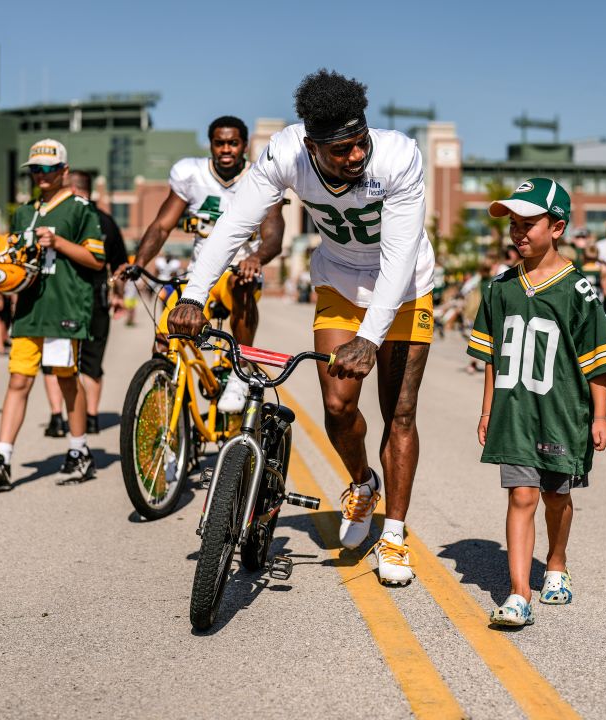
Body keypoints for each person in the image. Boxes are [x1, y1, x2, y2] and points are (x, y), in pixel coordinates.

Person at [168, 69, 434, 586]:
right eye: (341, 151)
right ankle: (362, 484)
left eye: (360, 144)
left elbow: (400, 255)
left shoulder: (398, 156)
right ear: (312, 146)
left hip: (403, 287)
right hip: (338, 279)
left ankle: (395, 535)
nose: (356, 157)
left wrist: (370, 337)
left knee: (399, 413)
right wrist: (195, 295)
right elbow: (235, 222)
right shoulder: (285, 153)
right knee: (338, 408)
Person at [468, 179, 606, 625]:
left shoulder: (578, 290)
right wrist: (486, 410)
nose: (519, 232)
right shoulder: (500, 288)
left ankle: (556, 563)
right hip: (514, 411)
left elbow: (597, 360)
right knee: (521, 494)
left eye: (529, 223)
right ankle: (519, 593)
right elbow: (491, 358)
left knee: (556, 496)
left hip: (561, 413)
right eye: (514, 224)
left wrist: (601, 415)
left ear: (556, 227)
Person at [120, 115, 285, 412]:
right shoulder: (191, 174)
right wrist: (139, 263)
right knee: (164, 338)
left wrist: (256, 258)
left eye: (232, 143)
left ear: (244, 146)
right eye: (219, 143)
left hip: (239, 273)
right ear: (210, 145)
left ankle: (240, 372)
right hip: (199, 278)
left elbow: (274, 232)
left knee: (241, 283)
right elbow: (161, 226)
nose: (226, 149)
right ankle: (168, 410)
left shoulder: (261, 177)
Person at [0, 139, 106, 490]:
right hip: (29, 309)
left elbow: (97, 260)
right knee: (18, 379)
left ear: (63, 171)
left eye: (47, 169)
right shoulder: (22, 211)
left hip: (64, 306)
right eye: (35, 170)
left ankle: (79, 451)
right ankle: (1, 458)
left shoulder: (80, 208)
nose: (40, 176)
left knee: (65, 379)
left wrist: (59, 243)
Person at [42, 171, 128, 435]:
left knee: (54, 358)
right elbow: (120, 265)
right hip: (96, 297)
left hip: (60, 298)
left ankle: (57, 418)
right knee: (92, 360)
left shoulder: (59, 216)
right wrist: (117, 293)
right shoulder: (107, 221)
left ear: (72, 189)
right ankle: (90, 418)